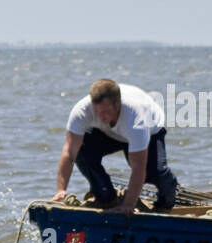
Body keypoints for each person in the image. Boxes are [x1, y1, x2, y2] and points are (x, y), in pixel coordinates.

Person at [52, 79, 178, 213]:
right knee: (80, 152)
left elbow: (138, 168)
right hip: (109, 133)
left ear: (118, 105)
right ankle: (106, 197)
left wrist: (128, 205)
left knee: (154, 172)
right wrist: (61, 189)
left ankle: (166, 202)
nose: (101, 116)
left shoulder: (136, 119)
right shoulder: (82, 111)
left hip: (151, 131)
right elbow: (69, 153)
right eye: (98, 111)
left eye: (105, 111)